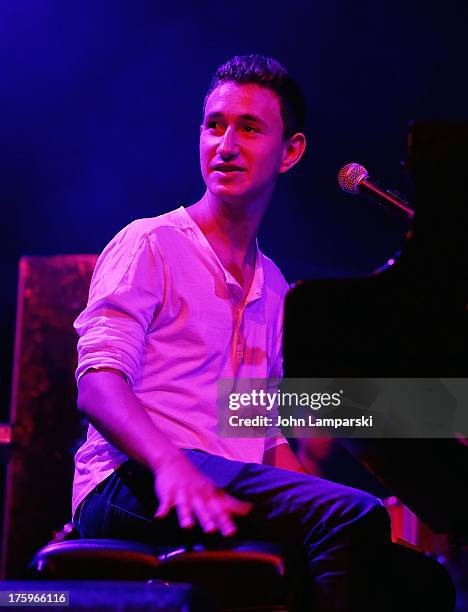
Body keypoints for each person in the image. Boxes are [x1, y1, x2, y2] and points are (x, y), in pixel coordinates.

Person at [72, 55, 391, 611]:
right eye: (214, 124)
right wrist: (171, 464)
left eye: (248, 127)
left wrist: (327, 490)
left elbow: (260, 431)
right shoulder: (151, 243)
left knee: (403, 567)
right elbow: (98, 386)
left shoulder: (274, 284)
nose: (225, 143)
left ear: (290, 152)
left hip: (223, 481)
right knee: (351, 516)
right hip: (131, 480)